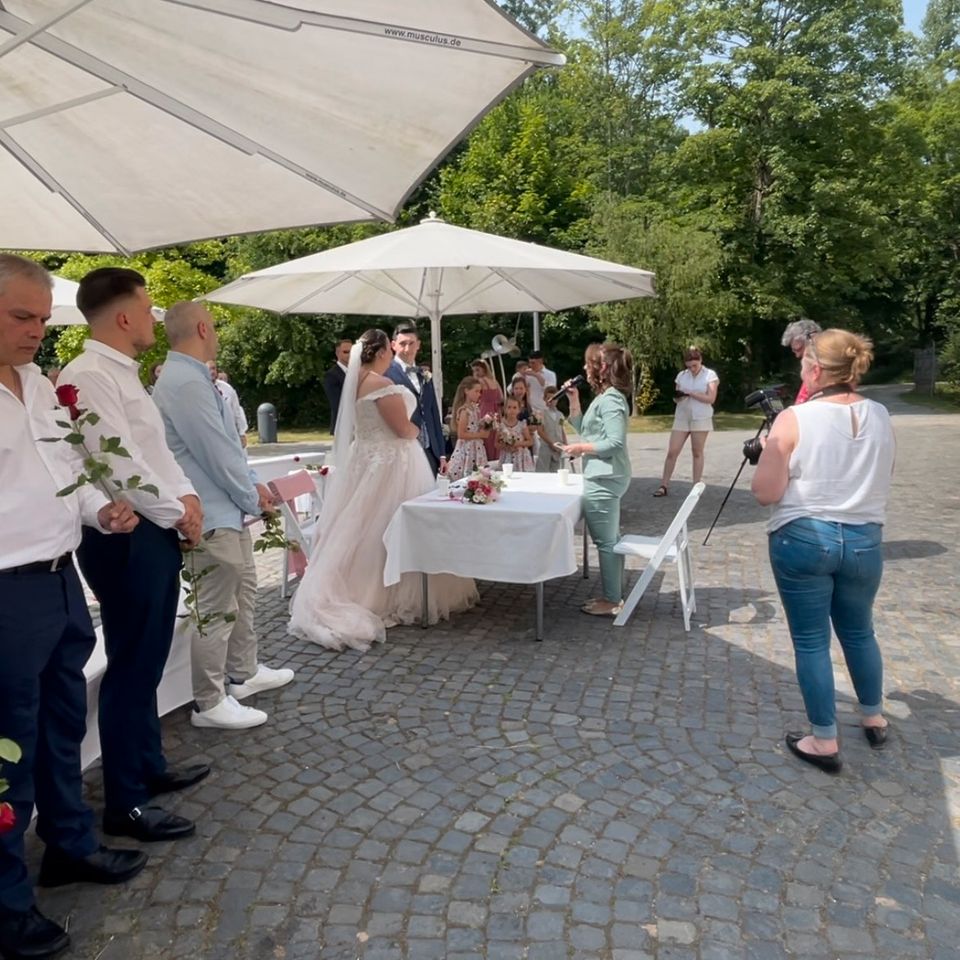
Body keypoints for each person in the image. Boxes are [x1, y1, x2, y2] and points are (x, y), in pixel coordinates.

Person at [0, 255, 146, 960]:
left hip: (61, 582)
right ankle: (3, 906)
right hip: (4, 592)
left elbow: (67, 477)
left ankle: (68, 845)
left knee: (62, 723)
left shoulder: (36, 385)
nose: (35, 331)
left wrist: (100, 509)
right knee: (5, 750)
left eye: (41, 318)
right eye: (20, 317)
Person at [59, 267, 208, 845]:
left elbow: (152, 452)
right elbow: (120, 466)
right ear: (123, 317)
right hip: (125, 535)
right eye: (148, 308)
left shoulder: (120, 373)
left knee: (145, 655)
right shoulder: (89, 376)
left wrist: (187, 498)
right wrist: (178, 513)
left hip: (153, 525)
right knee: (131, 663)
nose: (154, 318)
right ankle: (126, 802)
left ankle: (146, 761)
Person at [751, 329, 895, 774]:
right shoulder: (881, 413)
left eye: (802, 365)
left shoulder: (794, 418)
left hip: (806, 536)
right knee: (859, 631)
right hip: (864, 538)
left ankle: (824, 738)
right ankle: (873, 714)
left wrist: (765, 455)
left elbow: (765, 492)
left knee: (812, 641)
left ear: (815, 369)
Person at [289, 329, 478, 652]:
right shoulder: (381, 385)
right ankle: (381, 592)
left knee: (360, 526)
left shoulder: (354, 384)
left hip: (365, 459)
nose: (391, 357)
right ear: (379, 354)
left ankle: (351, 582)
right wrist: (417, 428)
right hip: (393, 464)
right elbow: (402, 429)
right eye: (388, 353)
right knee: (390, 525)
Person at [155, 302, 295, 730]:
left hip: (225, 509)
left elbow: (231, 447)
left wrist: (252, 486)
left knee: (244, 591)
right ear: (201, 327)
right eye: (213, 326)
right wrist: (254, 497)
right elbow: (216, 453)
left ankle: (244, 672)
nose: (215, 334)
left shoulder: (194, 377)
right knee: (215, 608)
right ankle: (210, 701)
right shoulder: (184, 382)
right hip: (208, 512)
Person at [562, 342, 633, 617]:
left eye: (588, 363)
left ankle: (612, 600)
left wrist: (579, 449)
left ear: (601, 368)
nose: (584, 368)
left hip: (605, 477)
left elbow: (614, 442)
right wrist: (574, 399)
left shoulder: (612, 399)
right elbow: (586, 430)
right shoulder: (605, 397)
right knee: (610, 539)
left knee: (605, 542)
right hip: (603, 475)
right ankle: (614, 594)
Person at [653, 347, 719, 497]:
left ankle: (696, 487)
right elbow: (676, 398)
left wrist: (692, 394)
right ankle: (664, 485)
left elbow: (711, 398)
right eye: (689, 366)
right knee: (672, 451)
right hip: (682, 416)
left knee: (697, 452)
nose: (692, 369)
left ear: (700, 361)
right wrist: (679, 396)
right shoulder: (682, 376)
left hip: (701, 417)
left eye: (694, 366)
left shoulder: (710, 375)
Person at [384, 321, 445, 474]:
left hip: (430, 449)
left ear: (418, 345)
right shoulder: (386, 374)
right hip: (404, 449)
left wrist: (442, 454)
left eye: (411, 343)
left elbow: (433, 413)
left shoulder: (424, 374)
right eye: (403, 343)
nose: (407, 349)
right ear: (393, 345)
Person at [446, 376, 490, 481]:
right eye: (476, 391)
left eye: (480, 392)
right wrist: (481, 435)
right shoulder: (464, 411)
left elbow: (474, 425)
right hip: (467, 448)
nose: (479, 394)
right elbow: (461, 434)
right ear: (466, 391)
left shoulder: (475, 409)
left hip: (477, 448)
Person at [207, 360, 248, 447]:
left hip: (229, 434)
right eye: (209, 369)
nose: (212, 372)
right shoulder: (199, 390)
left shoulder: (228, 389)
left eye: (214, 368)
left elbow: (237, 412)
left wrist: (242, 433)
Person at [781, 318, 822, 404]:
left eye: (799, 349)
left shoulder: (823, 368)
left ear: (812, 339)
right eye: (794, 351)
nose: (797, 355)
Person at [470, 359, 502, 460]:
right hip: (496, 411)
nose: (476, 373)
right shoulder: (494, 381)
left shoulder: (481, 381)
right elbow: (501, 398)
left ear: (484, 370)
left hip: (484, 410)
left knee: (485, 438)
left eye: (477, 370)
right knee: (494, 438)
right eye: (474, 370)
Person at [498, 397, 535, 472]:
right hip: (507, 456)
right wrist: (506, 447)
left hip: (521, 457)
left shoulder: (522, 425)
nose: (512, 410)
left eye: (514, 408)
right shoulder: (501, 426)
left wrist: (518, 443)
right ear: (505, 409)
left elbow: (530, 441)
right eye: (509, 407)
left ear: (519, 410)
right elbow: (496, 443)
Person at [323, 337, 352, 433]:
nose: (350, 355)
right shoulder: (331, 375)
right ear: (337, 353)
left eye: (352, 351)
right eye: (346, 352)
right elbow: (337, 403)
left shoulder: (357, 372)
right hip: (342, 425)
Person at [535, 385, 567, 472]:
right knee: (543, 472)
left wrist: (565, 444)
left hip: (557, 448)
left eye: (554, 398)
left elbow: (562, 429)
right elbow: (540, 431)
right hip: (546, 447)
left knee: (556, 472)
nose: (551, 401)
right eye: (548, 398)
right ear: (544, 399)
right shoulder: (541, 413)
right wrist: (551, 443)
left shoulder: (560, 415)